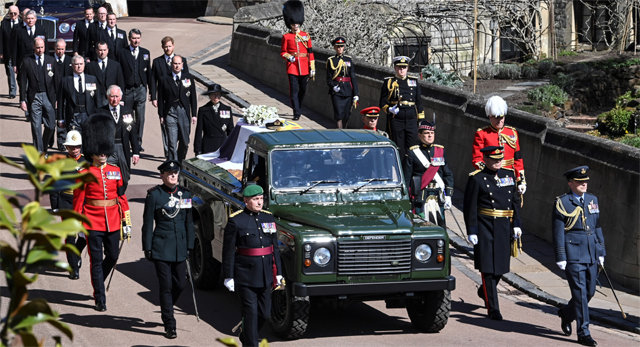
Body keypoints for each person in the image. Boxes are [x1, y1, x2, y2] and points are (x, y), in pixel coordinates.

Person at [73, 113, 132, 312]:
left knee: (113, 256)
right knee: (96, 260)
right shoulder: (84, 173)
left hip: (113, 220)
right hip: (92, 221)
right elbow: (79, 200)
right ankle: (100, 296)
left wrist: (127, 220)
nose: (103, 155)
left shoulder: (115, 170)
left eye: (104, 152)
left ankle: (100, 280)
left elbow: (121, 196)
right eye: (100, 152)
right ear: (93, 151)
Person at [463, 146, 521, 321]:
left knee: (501, 267)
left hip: (504, 226)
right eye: (494, 160)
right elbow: (470, 207)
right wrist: (472, 230)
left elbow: (515, 202)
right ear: (485, 159)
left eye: (500, 159)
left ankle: (484, 291)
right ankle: (493, 309)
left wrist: (517, 224)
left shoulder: (509, 175)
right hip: (485, 226)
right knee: (488, 269)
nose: (498, 162)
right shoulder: (477, 178)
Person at [223, 184, 283, 347]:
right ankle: (250, 342)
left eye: (261, 199)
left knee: (264, 314)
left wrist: (279, 272)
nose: (259, 202)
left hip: (265, 275)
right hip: (246, 276)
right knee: (250, 313)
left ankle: (246, 334)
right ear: (246, 200)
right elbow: (228, 251)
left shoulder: (268, 217)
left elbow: (274, 248)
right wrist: (228, 276)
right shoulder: (236, 220)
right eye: (255, 199)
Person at [142, 159, 195, 339]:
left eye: (175, 173)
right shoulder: (155, 195)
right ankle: (169, 324)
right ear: (162, 175)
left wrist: (190, 245)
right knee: (166, 285)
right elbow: (148, 223)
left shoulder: (185, 194)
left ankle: (167, 306)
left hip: (180, 246)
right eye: (169, 173)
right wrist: (147, 247)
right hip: (161, 246)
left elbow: (189, 222)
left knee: (180, 283)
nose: (173, 176)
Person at [553, 166, 605, 347]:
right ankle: (584, 333)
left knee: (589, 292)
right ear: (570, 183)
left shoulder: (592, 199)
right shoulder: (563, 202)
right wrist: (561, 256)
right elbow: (558, 232)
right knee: (581, 294)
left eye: (585, 182)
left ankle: (566, 314)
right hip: (573, 254)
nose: (584, 184)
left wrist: (601, 251)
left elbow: (597, 226)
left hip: (591, 253)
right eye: (580, 182)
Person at [49, 130, 88, 279]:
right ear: (66, 148)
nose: (74, 149)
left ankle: (76, 254)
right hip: (66, 202)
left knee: (84, 235)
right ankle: (73, 268)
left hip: (83, 203)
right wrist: (55, 206)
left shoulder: (87, 162)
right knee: (70, 237)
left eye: (77, 146)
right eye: (71, 147)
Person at [472, 95, 526, 196]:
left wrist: (521, 180)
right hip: (490, 177)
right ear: (489, 116)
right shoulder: (482, 133)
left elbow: (518, 159)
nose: (500, 120)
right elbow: (477, 159)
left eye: (502, 117)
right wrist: (488, 174)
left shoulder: (512, 132)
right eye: (496, 117)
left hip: (510, 178)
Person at [404, 120, 453, 226]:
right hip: (421, 196)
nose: (430, 136)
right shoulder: (413, 153)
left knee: (440, 224)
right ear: (420, 135)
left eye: (432, 133)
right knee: (422, 225)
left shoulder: (439, 151)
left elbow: (447, 174)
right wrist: (407, 199)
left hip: (437, 194)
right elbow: (407, 178)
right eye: (426, 133)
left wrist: (448, 195)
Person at [150, 36, 190, 158]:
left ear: (173, 46)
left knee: (183, 135)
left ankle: (176, 154)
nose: (168, 48)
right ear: (162, 47)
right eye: (165, 46)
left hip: (180, 103)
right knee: (166, 129)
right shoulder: (157, 62)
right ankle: (169, 154)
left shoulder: (181, 61)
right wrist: (154, 97)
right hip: (165, 101)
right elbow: (153, 80)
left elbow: (187, 79)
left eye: (170, 46)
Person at [379, 56, 425, 160]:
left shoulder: (414, 81)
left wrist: (421, 119)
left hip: (411, 117)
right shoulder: (389, 82)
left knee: (413, 146)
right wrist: (390, 109)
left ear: (407, 68)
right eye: (399, 67)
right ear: (395, 68)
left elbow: (418, 101)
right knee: (398, 146)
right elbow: (382, 102)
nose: (401, 70)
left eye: (404, 67)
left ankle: (412, 170)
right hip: (396, 118)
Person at [19, 37, 57, 153]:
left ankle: (44, 146)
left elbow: (57, 81)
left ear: (45, 47)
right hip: (34, 97)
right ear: (33, 48)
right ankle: (39, 154)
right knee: (36, 127)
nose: (40, 50)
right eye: (38, 48)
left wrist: (57, 99)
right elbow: (23, 81)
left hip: (48, 96)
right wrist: (22, 100)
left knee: (50, 125)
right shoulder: (27, 61)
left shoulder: (51, 60)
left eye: (42, 47)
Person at [157, 55, 197, 162]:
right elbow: (160, 99)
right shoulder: (164, 79)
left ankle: (180, 161)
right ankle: (172, 166)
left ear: (182, 65)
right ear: (171, 64)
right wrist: (161, 115)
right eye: (175, 63)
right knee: (172, 142)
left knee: (185, 141)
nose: (177, 66)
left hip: (184, 112)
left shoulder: (188, 78)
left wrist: (194, 114)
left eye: (179, 64)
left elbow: (193, 97)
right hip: (170, 112)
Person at [101, 85, 140, 194]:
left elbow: (132, 133)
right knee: (108, 174)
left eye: (117, 96)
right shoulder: (101, 112)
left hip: (123, 147)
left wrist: (136, 152)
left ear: (121, 97)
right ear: (108, 97)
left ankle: (120, 194)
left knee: (125, 176)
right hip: (109, 148)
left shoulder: (127, 111)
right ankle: (112, 196)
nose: (115, 99)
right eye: (112, 96)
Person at [280, 0, 314, 121]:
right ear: (290, 24)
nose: (296, 25)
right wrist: (290, 57)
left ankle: (298, 106)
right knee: (294, 91)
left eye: (297, 24)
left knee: (303, 90)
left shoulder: (306, 35)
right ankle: (296, 112)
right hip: (293, 67)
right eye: (294, 24)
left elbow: (310, 52)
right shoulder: (286, 37)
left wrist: (312, 68)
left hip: (304, 66)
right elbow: (283, 52)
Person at [118, 28, 152, 151]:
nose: (136, 41)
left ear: (140, 39)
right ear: (129, 39)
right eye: (133, 38)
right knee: (127, 118)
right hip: (127, 91)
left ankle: (137, 143)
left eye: (138, 38)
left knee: (140, 118)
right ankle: (127, 141)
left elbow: (149, 73)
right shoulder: (122, 52)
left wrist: (152, 93)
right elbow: (119, 72)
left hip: (141, 89)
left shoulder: (145, 53)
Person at [57, 55, 102, 134]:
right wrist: (60, 118)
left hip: (88, 115)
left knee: (88, 140)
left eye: (81, 64)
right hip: (73, 116)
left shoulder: (92, 79)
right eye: (77, 64)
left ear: (84, 65)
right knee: (75, 141)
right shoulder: (65, 81)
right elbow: (60, 101)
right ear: (72, 65)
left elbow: (97, 99)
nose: (79, 66)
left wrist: (99, 116)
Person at [326, 36, 358, 128]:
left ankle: (345, 130)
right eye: (338, 46)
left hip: (348, 90)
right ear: (334, 48)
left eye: (341, 46)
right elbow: (328, 78)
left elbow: (353, 77)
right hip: (337, 90)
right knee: (339, 114)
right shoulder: (331, 60)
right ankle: (340, 132)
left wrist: (356, 94)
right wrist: (333, 87)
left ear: (344, 47)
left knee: (347, 114)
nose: (340, 48)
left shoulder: (348, 60)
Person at [194, 84, 233, 155]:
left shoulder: (227, 109)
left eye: (218, 94)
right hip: (208, 145)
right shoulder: (203, 110)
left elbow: (231, 131)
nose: (216, 97)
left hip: (222, 145)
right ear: (209, 96)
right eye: (213, 94)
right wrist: (197, 149)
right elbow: (199, 131)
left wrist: (232, 147)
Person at [86, 41, 125, 108]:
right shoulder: (90, 66)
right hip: (96, 100)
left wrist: (121, 99)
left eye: (104, 50)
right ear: (96, 51)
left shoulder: (116, 65)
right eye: (100, 50)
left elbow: (120, 83)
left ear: (108, 50)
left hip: (112, 99)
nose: (102, 52)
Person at [52, 39, 75, 150]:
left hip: (67, 96)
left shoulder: (70, 61)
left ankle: (64, 142)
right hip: (54, 95)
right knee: (54, 120)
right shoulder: (50, 61)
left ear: (65, 49)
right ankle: (54, 141)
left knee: (65, 118)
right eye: (58, 49)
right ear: (54, 48)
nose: (60, 51)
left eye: (62, 49)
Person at [11, 10, 45, 78]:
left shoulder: (41, 29)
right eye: (28, 18)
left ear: (35, 19)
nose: (30, 20)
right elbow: (15, 48)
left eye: (32, 18)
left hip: (37, 61)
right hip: (22, 62)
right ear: (25, 19)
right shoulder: (19, 31)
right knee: (22, 84)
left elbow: (45, 46)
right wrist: (14, 64)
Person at [1, 5, 21, 99]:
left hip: (20, 53)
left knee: (21, 74)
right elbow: (1, 39)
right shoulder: (4, 23)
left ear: (18, 13)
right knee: (10, 72)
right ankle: (12, 91)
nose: (13, 15)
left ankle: (23, 92)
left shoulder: (22, 23)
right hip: (8, 52)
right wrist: (1, 52)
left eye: (15, 13)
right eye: (11, 13)